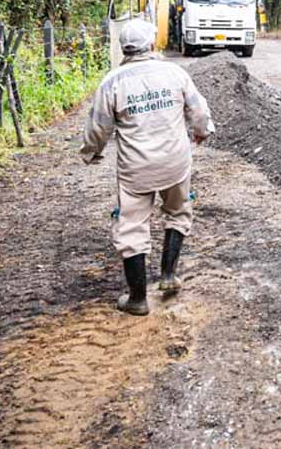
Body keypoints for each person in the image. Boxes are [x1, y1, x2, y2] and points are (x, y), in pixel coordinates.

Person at [80, 19, 214, 316]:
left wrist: (91, 153)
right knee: (178, 211)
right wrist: (201, 132)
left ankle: (138, 298)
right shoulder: (175, 73)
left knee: (131, 226)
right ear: (152, 44)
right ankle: (168, 275)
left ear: (124, 49)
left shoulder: (112, 82)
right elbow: (199, 112)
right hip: (175, 162)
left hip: (135, 169)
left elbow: (98, 127)